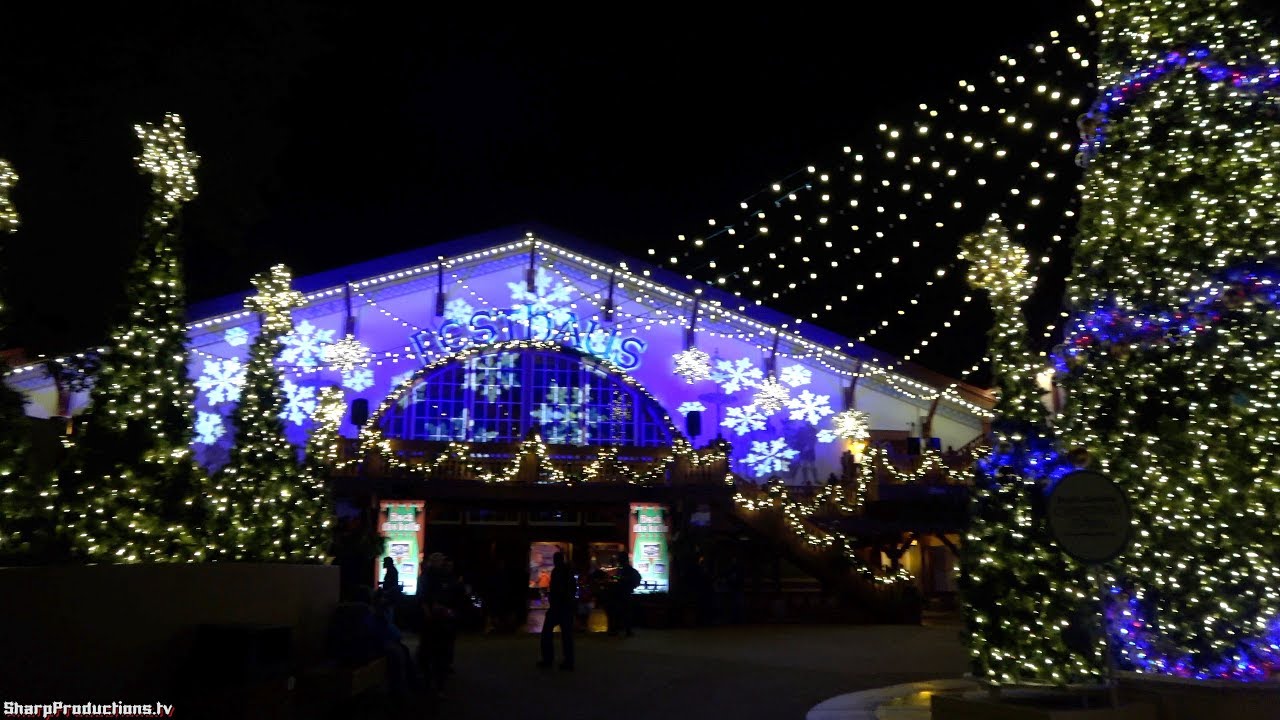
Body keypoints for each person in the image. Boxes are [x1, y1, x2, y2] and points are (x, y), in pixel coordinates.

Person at [537, 551, 575, 670]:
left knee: (547, 633)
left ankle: (549, 659)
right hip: (564, 607)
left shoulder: (558, 572)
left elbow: (557, 590)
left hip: (558, 607)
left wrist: (553, 602)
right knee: (566, 636)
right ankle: (568, 661)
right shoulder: (567, 571)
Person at [611, 552, 641, 637]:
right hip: (626, 593)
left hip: (622, 593)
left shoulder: (622, 570)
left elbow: (620, 580)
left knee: (620, 612)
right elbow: (636, 580)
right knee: (626, 612)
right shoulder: (628, 570)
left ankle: (618, 630)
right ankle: (626, 630)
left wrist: (618, 580)